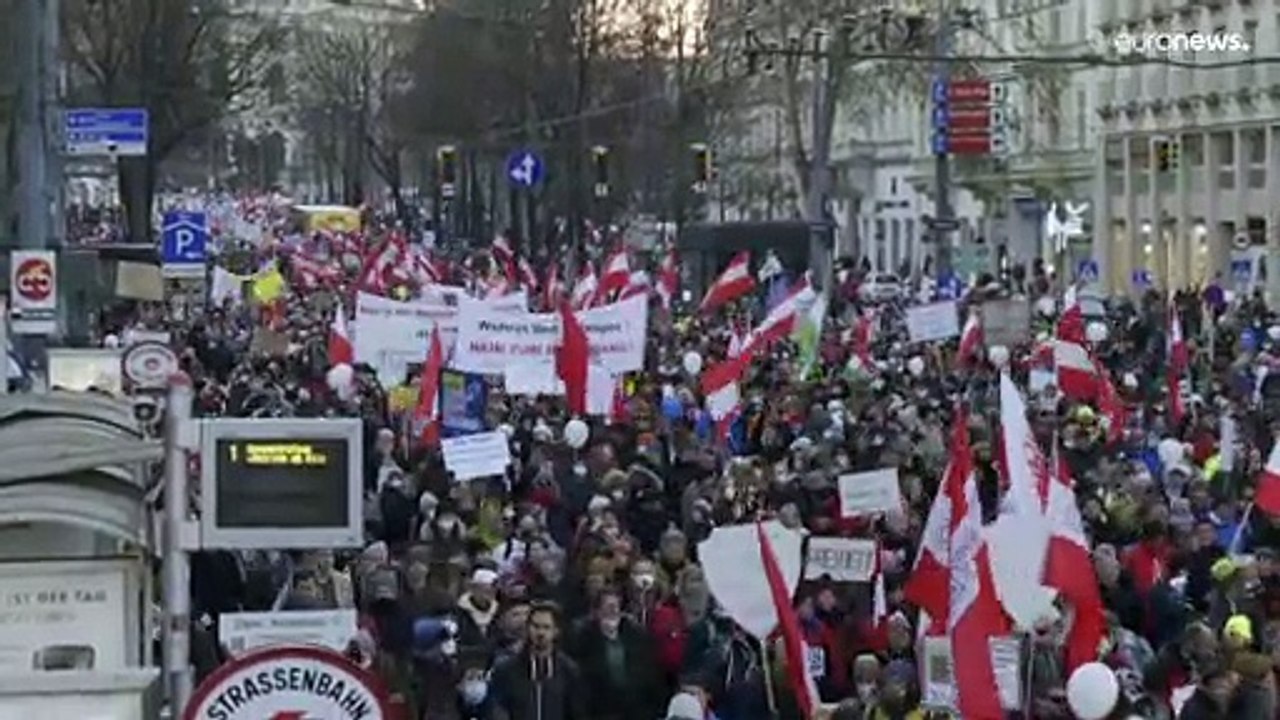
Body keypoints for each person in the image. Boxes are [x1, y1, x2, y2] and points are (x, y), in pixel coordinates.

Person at [489, 601, 586, 720]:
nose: (540, 633)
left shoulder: (568, 670)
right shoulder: (506, 669)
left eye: (546, 627)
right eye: (535, 626)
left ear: (556, 631)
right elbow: (498, 710)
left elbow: (575, 712)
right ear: (528, 628)